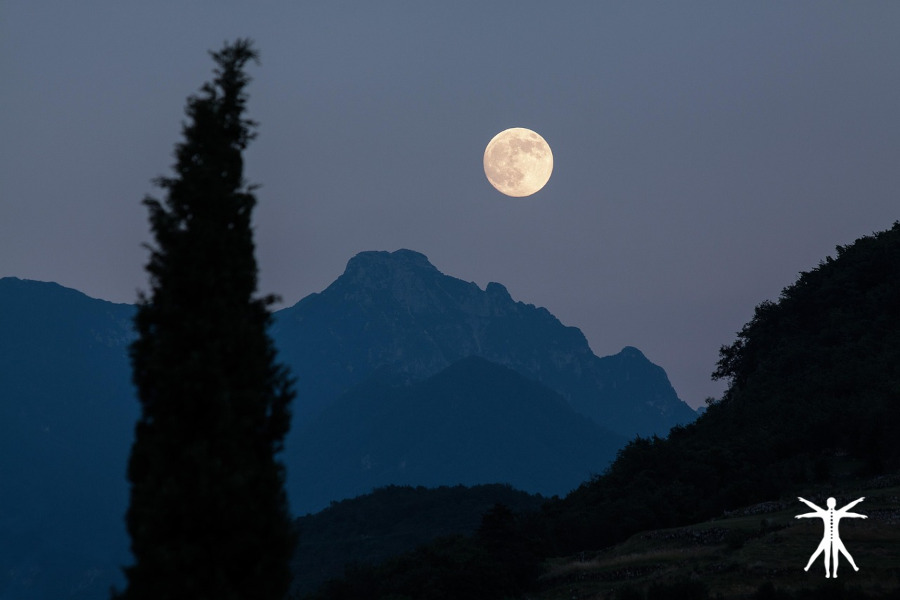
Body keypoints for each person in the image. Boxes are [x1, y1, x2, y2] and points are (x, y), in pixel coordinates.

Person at [795, 496, 867, 578]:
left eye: (833, 502)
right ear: (827, 504)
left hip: (836, 538)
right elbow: (813, 510)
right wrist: (804, 505)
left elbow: (849, 510)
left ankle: (846, 569)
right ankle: (822, 571)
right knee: (822, 554)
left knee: (840, 554)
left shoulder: (838, 513)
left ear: (835, 504)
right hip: (826, 538)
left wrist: (858, 504)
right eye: (830, 502)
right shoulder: (823, 513)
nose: (831, 504)